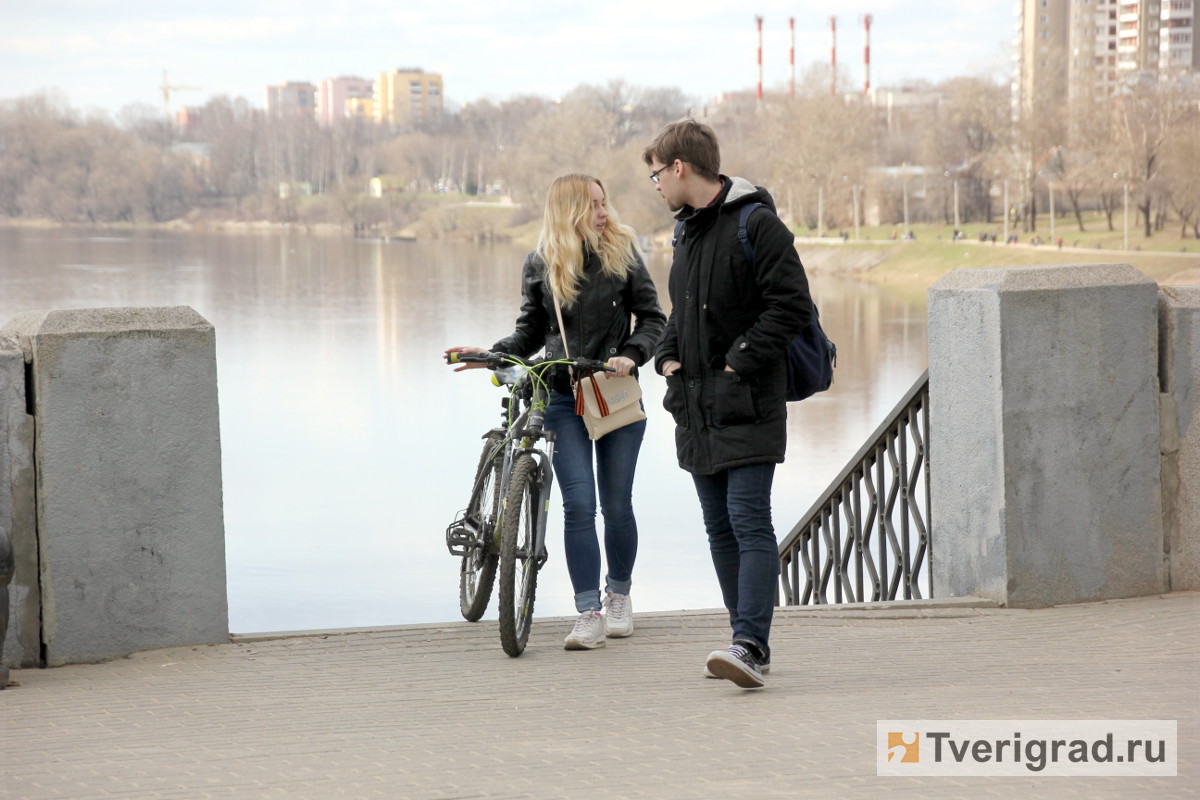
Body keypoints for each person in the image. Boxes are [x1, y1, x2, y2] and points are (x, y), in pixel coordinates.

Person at [444, 174, 665, 651]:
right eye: (594, 207)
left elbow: (653, 319)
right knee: (579, 505)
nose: (604, 214)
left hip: (614, 393)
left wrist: (632, 351)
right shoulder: (541, 262)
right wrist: (493, 353)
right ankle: (588, 612)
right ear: (569, 212)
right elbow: (528, 331)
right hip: (562, 396)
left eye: (605, 204)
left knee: (617, 503)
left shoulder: (623, 254)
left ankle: (619, 595)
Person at [643, 119, 812, 689]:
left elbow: (790, 307)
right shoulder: (686, 233)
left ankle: (751, 646)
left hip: (748, 403)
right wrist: (665, 355)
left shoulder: (756, 224)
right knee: (719, 529)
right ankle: (743, 640)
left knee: (748, 520)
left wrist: (739, 360)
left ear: (680, 168)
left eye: (656, 174)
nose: (656, 185)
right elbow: (680, 314)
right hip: (696, 409)